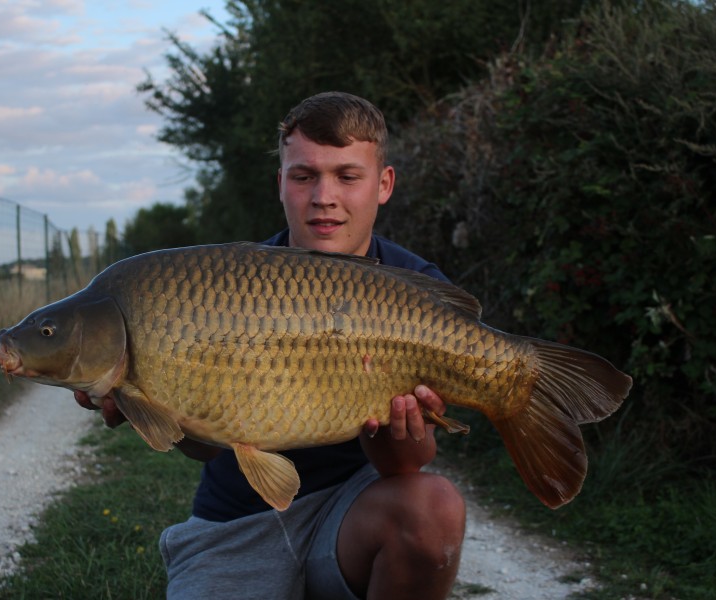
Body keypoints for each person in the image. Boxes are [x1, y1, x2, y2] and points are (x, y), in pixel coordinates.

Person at [76, 91, 466, 599]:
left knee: (432, 508)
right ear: (279, 183)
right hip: (238, 521)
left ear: (383, 184)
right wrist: (151, 406)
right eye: (304, 176)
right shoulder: (233, 284)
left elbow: (405, 466)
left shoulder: (414, 289)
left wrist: (397, 422)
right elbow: (201, 446)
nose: (324, 196)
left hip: (354, 517)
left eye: (348, 176)